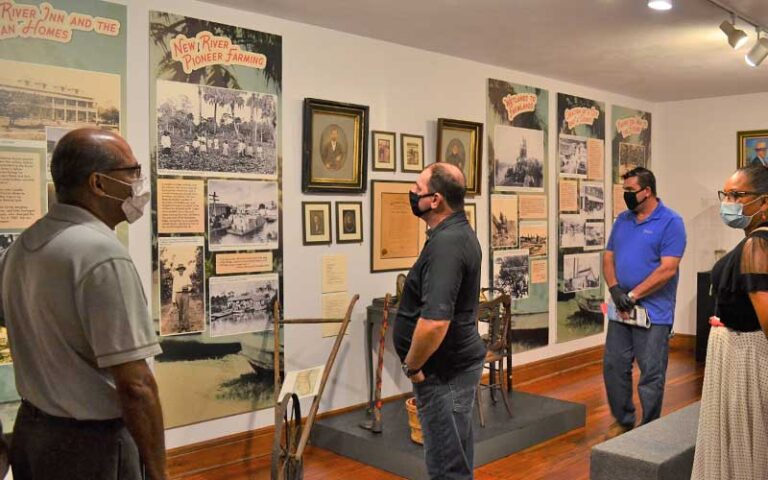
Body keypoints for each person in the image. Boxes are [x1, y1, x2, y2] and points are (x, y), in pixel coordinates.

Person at [0, 128, 166, 479]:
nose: (138, 182)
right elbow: (136, 386)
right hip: (92, 447)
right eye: (131, 172)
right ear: (98, 183)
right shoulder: (101, 255)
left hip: (33, 434)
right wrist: (157, 472)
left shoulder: (22, 247)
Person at [393, 162, 485, 479]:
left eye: (417, 189)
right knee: (455, 455)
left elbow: (434, 322)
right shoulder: (454, 233)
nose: (412, 194)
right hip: (453, 365)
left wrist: (413, 367)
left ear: (435, 200)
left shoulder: (447, 243)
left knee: (447, 466)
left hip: (442, 372)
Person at [691, 165, 768, 479]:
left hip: (745, 355)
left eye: (738, 195)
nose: (729, 202)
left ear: (764, 203)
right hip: (736, 351)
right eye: (726, 195)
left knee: (742, 435)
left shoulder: (757, 244)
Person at [603, 167, 686, 437]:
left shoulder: (671, 222)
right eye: (624, 190)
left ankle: (648, 431)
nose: (626, 195)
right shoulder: (623, 220)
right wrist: (615, 289)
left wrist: (635, 295)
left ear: (647, 191)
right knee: (614, 365)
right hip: (621, 310)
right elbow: (608, 257)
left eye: (630, 190)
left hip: (653, 312)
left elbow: (668, 269)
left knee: (651, 372)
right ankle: (624, 420)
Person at [171, 263, 194, 332]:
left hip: (185, 294)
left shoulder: (186, 276)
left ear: (183, 270)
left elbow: (190, 286)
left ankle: (186, 326)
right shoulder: (176, 277)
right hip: (178, 295)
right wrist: (173, 300)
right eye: (179, 269)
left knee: (185, 311)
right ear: (178, 270)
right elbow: (174, 289)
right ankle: (180, 327)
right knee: (179, 311)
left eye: (182, 269)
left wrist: (187, 288)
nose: (181, 271)